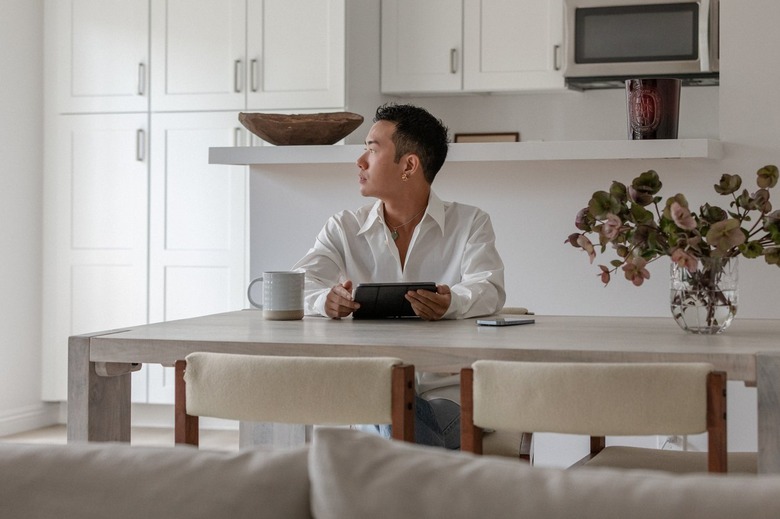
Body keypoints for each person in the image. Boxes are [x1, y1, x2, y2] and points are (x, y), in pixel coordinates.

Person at [292, 103, 505, 448]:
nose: (359, 162)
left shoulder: (470, 223)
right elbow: (300, 283)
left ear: (408, 165)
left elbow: (489, 288)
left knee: (389, 422)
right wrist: (324, 301)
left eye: (372, 150)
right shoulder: (343, 227)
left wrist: (451, 301)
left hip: (450, 398)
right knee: (387, 410)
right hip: (371, 397)